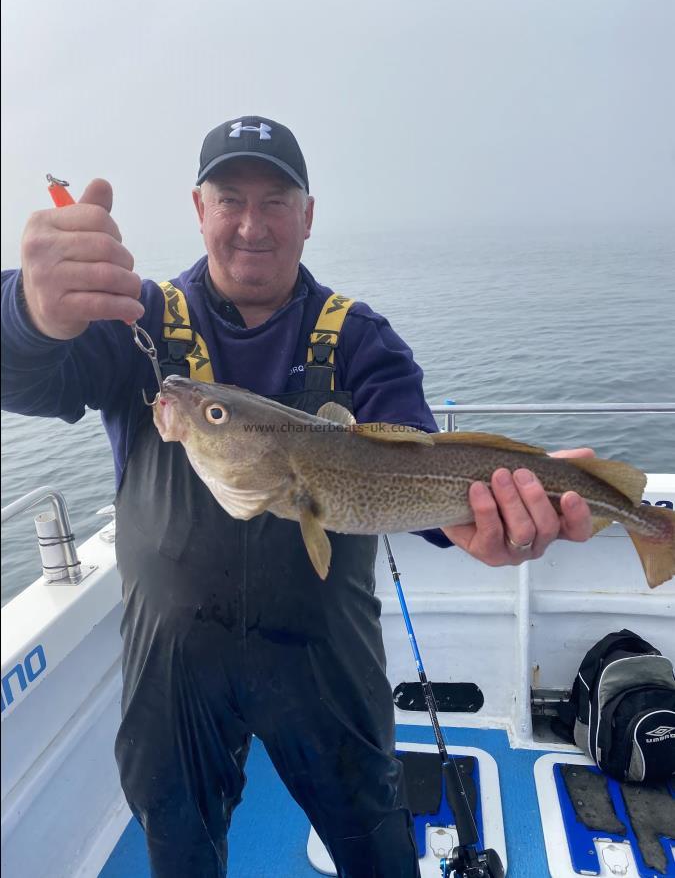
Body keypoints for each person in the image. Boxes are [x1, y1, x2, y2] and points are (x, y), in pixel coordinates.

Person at [0, 116, 593, 877]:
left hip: (324, 657)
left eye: (276, 201)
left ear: (307, 215)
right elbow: (27, 373)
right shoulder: (134, 323)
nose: (252, 224)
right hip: (173, 662)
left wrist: (472, 527)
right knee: (178, 849)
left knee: (374, 847)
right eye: (230, 199)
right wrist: (33, 312)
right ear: (198, 208)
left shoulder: (358, 338)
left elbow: (413, 461)